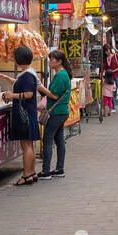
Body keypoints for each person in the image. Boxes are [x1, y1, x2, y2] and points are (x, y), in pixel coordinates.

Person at [2, 45, 41, 185]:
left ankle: (26, 175)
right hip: (28, 113)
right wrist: (8, 79)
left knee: (26, 145)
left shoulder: (27, 75)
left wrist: (12, 95)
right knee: (29, 144)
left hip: (25, 114)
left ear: (18, 59)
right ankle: (32, 173)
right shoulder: (28, 73)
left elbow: (29, 94)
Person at [38, 50, 72, 180]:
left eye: (52, 59)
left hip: (56, 112)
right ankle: (59, 169)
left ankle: (46, 171)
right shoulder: (62, 74)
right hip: (61, 111)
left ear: (59, 62)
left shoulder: (60, 75)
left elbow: (54, 95)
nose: (49, 62)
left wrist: (41, 88)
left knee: (47, 140)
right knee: (59, 140)